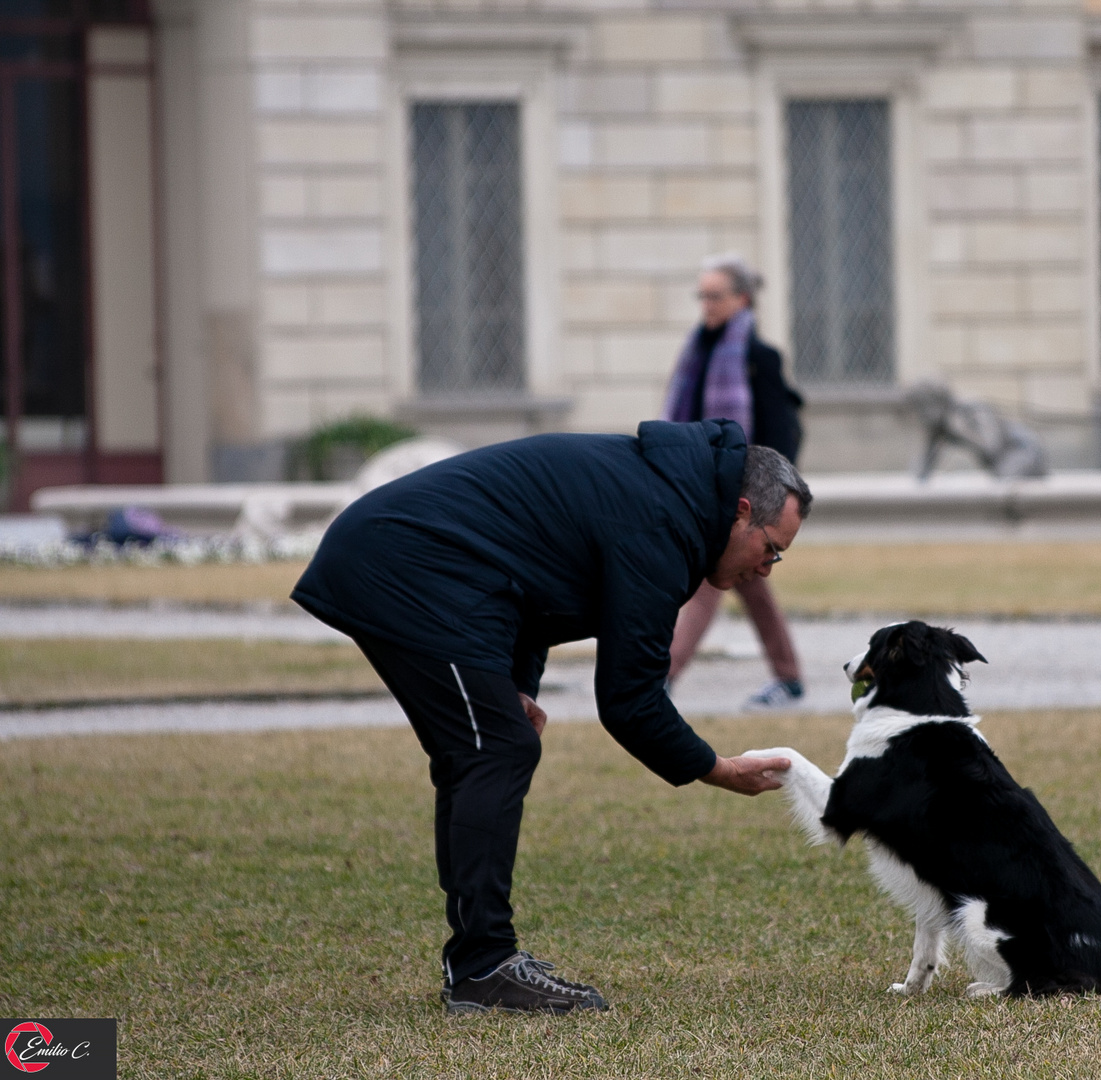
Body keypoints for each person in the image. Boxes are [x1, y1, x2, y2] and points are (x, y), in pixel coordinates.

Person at [291, 420, 810, 1015]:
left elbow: (535, 584)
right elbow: (629, 700)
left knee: (490, 747)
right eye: (771, 548)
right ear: (742, 511)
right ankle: (484, 967)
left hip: (427, 567)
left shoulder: (673, 501)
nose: (767, 569)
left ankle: (479, 961)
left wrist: (516, 686)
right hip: (407, 563)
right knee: (495, 749)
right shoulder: (662, 521)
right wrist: (717, 769)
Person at [661, 253, 806, 709]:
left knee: (708, 580)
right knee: (750, 583)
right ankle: (790, 679)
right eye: (701, 295)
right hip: (702, 487)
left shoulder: (759, 358)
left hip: (744, 497)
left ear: (742, 299)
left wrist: (766, 499)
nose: (706, 304)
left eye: (715, 295)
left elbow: (781, 436)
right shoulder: (697, 353)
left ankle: (661, 677)